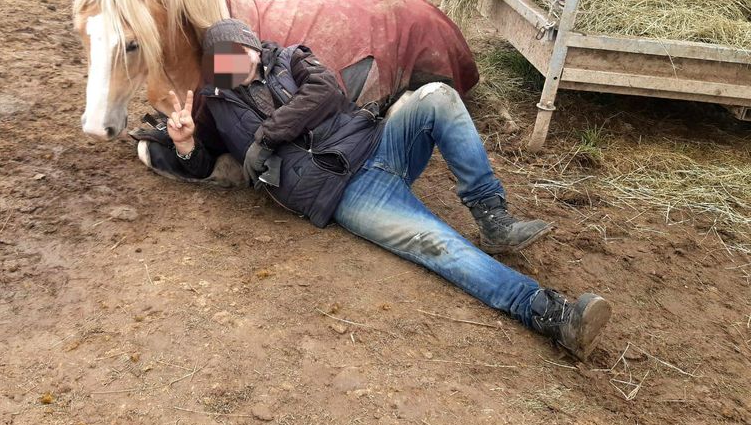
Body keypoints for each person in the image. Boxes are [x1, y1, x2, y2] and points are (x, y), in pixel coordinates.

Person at [159, 19, 611, 360]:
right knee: (437, 244)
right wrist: (183, 143)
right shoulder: (216, 103)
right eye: (226, 61)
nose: (240, 65)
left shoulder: (291, 58)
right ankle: (548, 313)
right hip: (345, 191)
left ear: (256, 48)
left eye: (245, 53)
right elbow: (202, 166)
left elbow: (327, 94)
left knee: (436, 95)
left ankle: (492, 216)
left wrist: (266, 137)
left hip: (379, 144)